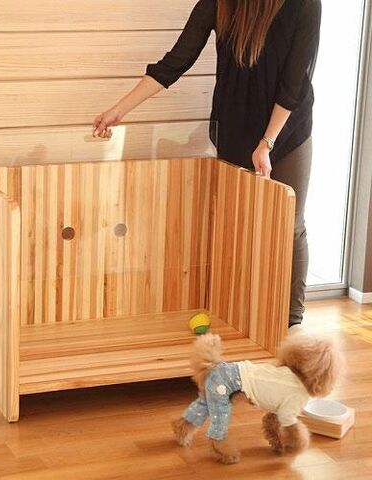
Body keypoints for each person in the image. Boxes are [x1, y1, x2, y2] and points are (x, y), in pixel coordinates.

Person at [92, 0, 322, 330]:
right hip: (235, 129)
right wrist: (119, 110)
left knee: (291, 224)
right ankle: (243, 312)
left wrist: (267, 142)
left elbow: (295, 82)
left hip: (287, 132)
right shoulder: (219, 2)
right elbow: (175, 62)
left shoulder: (305, 4)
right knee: (238, 225)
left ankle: (292, 323)